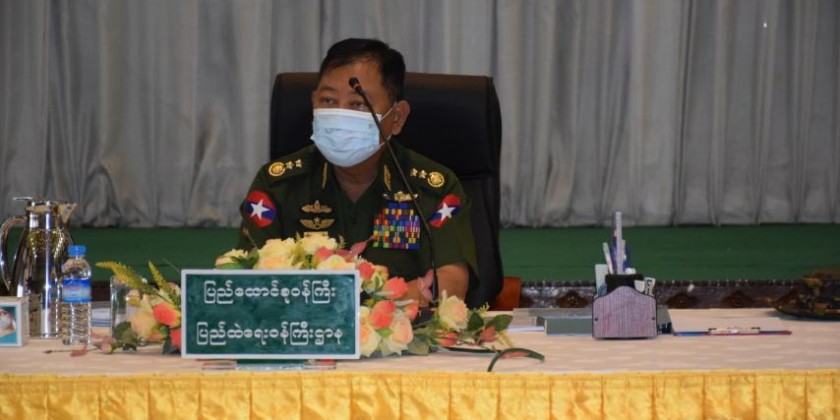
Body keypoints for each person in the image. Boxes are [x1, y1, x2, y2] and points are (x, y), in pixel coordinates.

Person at [238, 38, 478, 306]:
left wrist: (365, 313)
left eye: (357, 104)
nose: (338, 115)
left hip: (399, 331)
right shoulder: (277, 185)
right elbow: (249, 280)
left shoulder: (431, 188)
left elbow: (451, 283)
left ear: (397, 117)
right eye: (328, 100)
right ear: (313, 103)